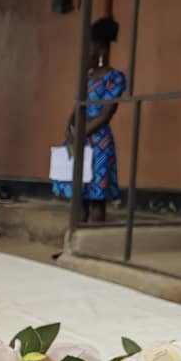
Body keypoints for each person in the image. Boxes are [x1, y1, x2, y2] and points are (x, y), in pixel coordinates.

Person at [52, 16, 125, 223]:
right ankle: (76, 243)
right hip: (78, 139)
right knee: (79, 199)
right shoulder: (87, 76)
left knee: (96, 199)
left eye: (89, 48)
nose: (84, 53)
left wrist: (80, 134)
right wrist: (69, 129)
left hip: (99, 143)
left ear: (101, 50)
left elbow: (105, 115)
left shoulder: (115, 78)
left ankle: (93, 245)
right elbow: (77, 107)